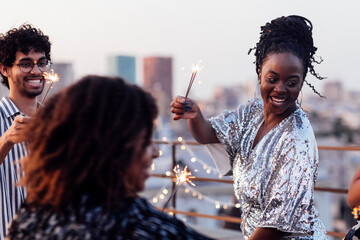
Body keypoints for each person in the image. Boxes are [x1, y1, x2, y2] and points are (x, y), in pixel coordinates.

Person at [171, 15, 328, 240]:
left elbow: (276, 226)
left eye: (291, 83)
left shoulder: (298, 140)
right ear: (259, 75)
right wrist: (195, 116)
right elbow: (208, 134)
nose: (280, 89)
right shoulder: (251, 112)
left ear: (301, 82)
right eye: (272, 79)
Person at [6, 75, 213, 240]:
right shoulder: (138, 227)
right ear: (113, 148)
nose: (155, 152)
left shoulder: (31, 218)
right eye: (145, 140)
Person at [0, 24, 51, 239]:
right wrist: (7, 140)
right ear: (4, 69)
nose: (36, 71)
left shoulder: (57, 123)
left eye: (41, 63)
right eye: (26, 64)